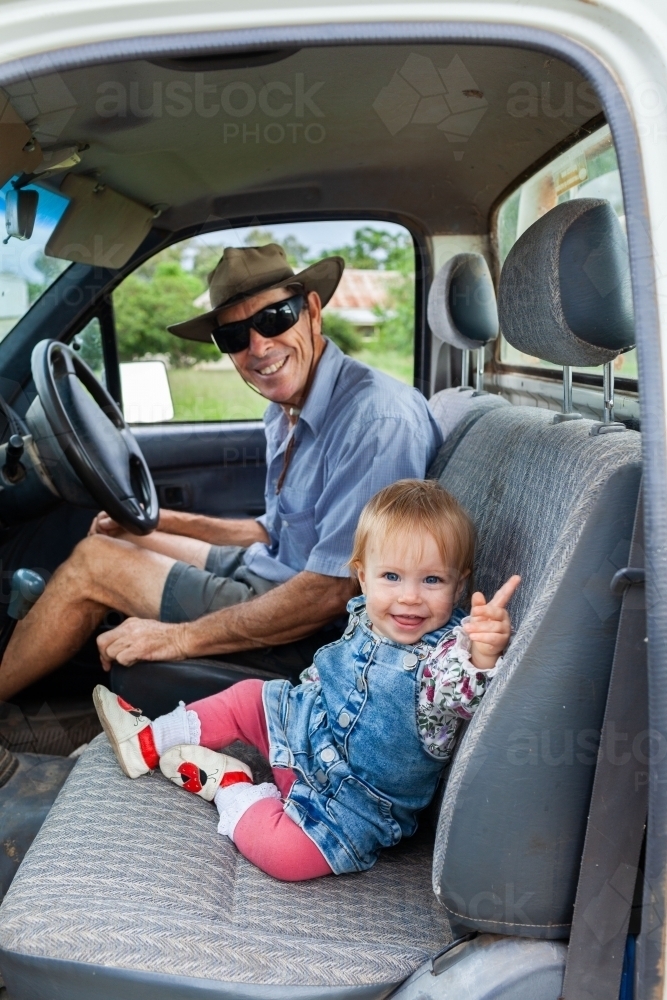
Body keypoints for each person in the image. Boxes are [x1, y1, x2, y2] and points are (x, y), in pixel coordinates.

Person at [0, 244, 443, 700]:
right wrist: (156, 523)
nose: (257, 347)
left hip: (310, 631)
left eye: (274, 318)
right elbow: (271, 531)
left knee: (93, 566)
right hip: (271, 572)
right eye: (234, 336)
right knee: (116, 537)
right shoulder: (287, 409)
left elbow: (333, 593)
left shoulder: (376, 421)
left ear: (312, 310)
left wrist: (177, 637)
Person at [93, 480, 521, 880]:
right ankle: (148, 741)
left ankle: (230, 786)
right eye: (391, 577)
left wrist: (483, 651)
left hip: (351, 806)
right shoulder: (367, 615)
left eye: (432, 580)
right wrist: (304, 698)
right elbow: (334, 671)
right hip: (309, 730)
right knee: (249, 698)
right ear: (362, 576)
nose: (410, 596)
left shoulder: (444, 656)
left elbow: (461, 692)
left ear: (459, 586)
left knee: (286, 857)